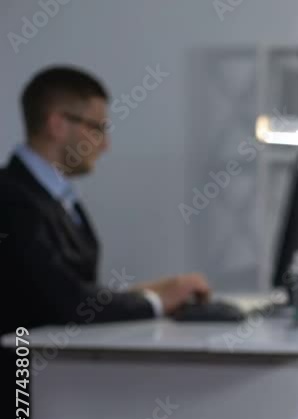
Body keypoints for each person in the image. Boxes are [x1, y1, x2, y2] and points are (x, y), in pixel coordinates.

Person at [0, 66, 211, 339]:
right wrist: (156, 301)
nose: (105, 144)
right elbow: (66, 303)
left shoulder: (55, 197)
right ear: (58, 124)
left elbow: (69, 288)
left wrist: (154, 292)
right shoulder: (11, 198)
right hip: (20, 374)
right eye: (97, 128)